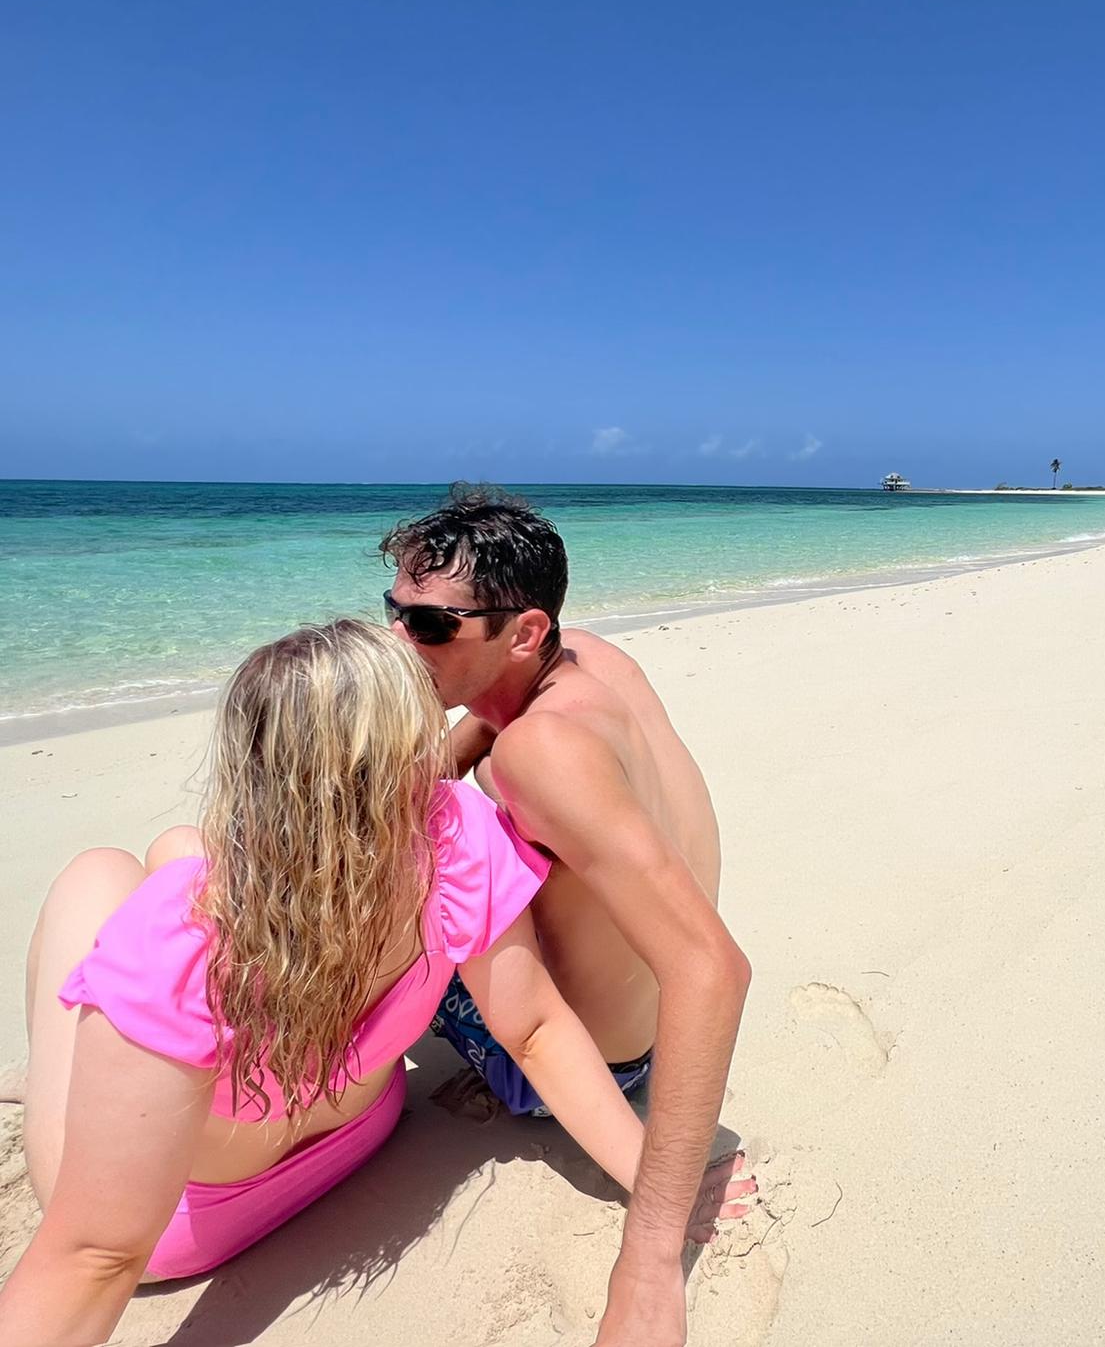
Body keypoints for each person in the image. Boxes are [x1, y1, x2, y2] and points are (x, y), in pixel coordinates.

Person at [0, 621, 749, 1347]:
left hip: (187, 1223)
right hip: (362, 1132)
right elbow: (535, 1030)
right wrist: (658, 1183)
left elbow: (98, 1257)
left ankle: (81, 1071)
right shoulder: (456, 835)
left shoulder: (178, 940)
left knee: (99, 873)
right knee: (176, 851)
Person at [381, 486, 751, 1347]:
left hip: (579, 1071)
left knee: (374, 886)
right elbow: (478, 737)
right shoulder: (586, 660)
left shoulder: (540, 755)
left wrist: (650, 1263)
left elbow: (713, 968)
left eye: (432, 626)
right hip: (637, 1032)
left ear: (524, 632)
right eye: (394, 612)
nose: (399, 639)